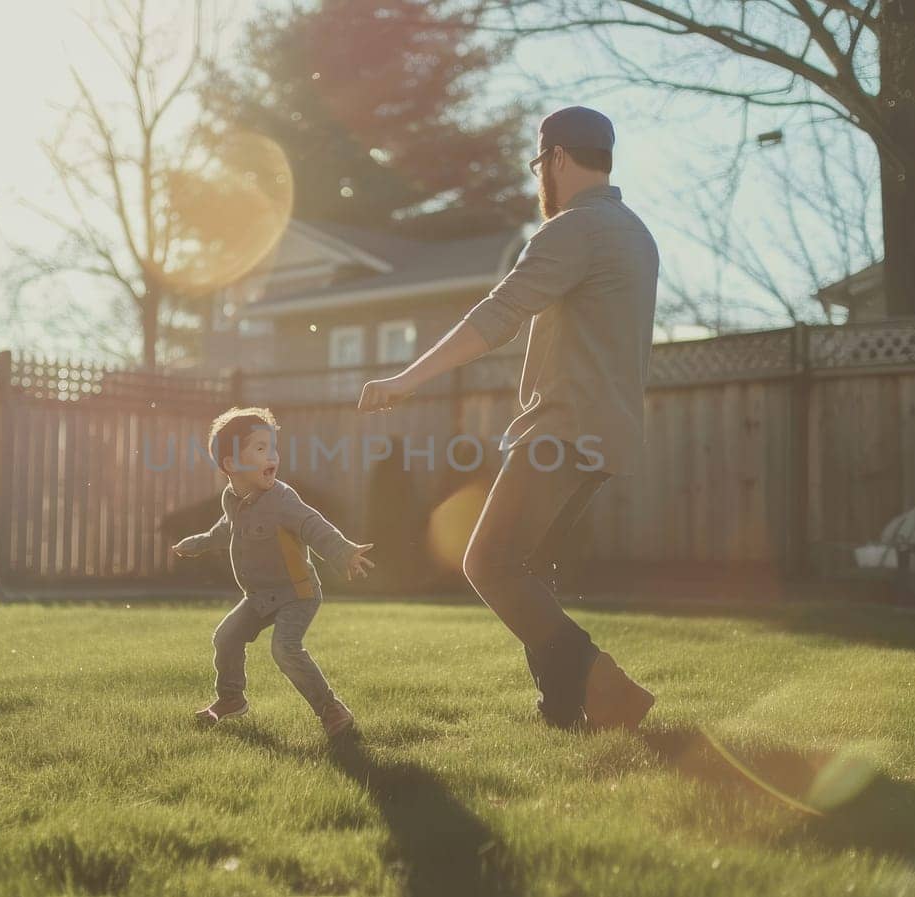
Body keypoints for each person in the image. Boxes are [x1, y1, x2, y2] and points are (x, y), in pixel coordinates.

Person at [357, 106, 659, 731]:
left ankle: (611, 689)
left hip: (562, 428)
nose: (537, 179)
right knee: (527, 574)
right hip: (607, 432)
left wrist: (403, 381)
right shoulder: (634, 233)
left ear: (557, 159)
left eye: (538, 165)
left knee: (488, 563)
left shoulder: (575, 230)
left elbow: (498, 316)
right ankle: (561, 712)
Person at [173, 406, 375, 737]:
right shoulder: (232, 499)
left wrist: (344, 551)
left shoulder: (282, 499)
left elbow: (313, 524)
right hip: (259, 596)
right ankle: (231, 699)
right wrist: (195, 544)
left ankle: (331, 709)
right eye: (260, 448)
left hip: (297, 592)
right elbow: (225, 531)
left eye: (273, 448)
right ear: (231, 465)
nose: (273, 456)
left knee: (284, 648)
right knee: (226, 637)